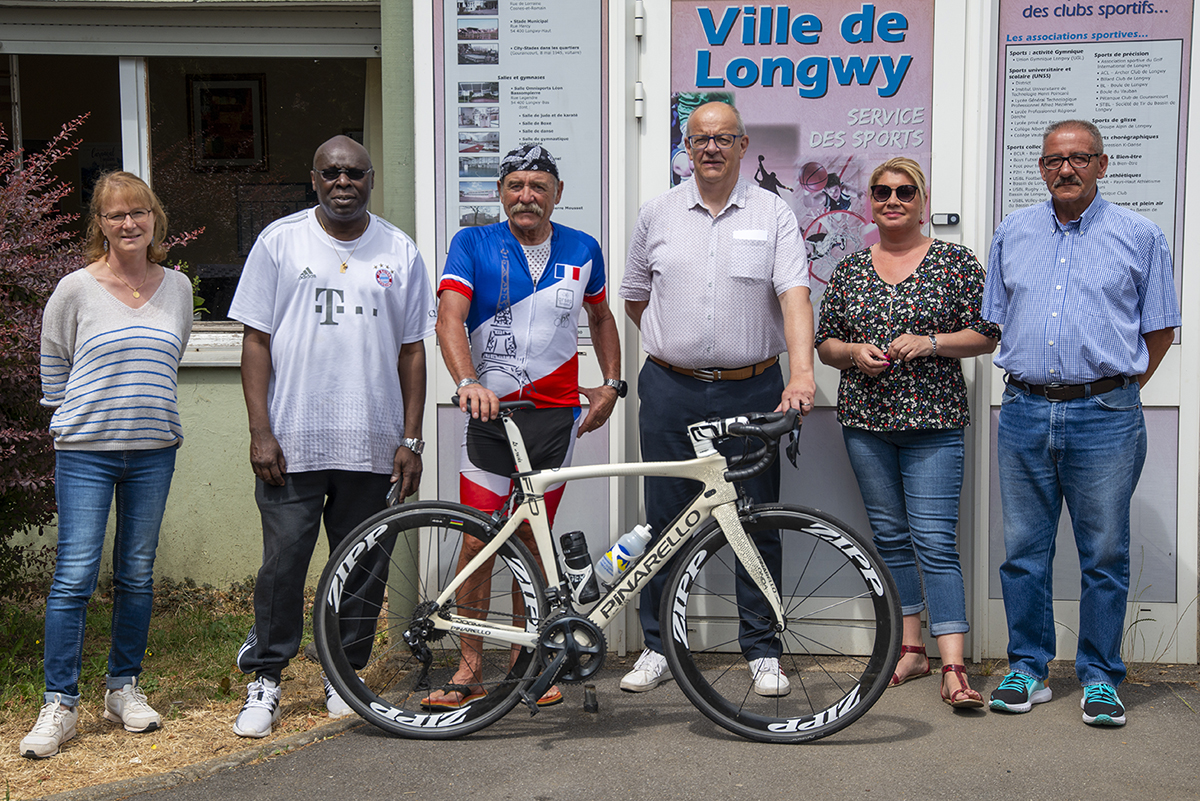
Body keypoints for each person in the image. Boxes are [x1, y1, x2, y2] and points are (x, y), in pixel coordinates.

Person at [228, 135, 435, 737]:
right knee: (284, 563)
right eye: (331, 174)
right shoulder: (280, 241)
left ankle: (343, 673)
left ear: (371, 179)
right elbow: (256, 341)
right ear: (314, 179)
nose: (343, 183)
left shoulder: (400, 249)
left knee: (364, 565)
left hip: (373, 443)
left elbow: (412, 351)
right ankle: (265, 677)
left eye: (355, 174)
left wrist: (412, 438)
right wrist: (260, 430)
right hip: (291, 442)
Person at [983, 120, 1179, 726]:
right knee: (1023, 551)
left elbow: (1160, 331)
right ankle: (1028, 667)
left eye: (1078, 158)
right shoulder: (1012, 232)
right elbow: (997, 318)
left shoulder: (1140, 236)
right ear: (1040, 168)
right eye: (1052, 161)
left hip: (1105, 415)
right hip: (1023, 410)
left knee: (1103, 553)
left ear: (1102, 163)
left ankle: (1099, 676)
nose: (1064, 169)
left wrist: (1109, 393)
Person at [619, 101, 815, 696]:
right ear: (687, 145)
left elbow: (795, 298)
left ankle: (761, 648)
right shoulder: (657, 214)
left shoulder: (774, 213)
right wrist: (674, 344)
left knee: (755, 520)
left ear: (742, 145)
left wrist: (801, 374)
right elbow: (633, 297)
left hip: (752, 389)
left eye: (723, 139)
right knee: (665, 521)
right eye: (700, 139)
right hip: (670, 388)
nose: (710, 148)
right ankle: (659, 645)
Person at [428, 143, 623, 708]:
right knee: (476, 541)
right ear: (501, 193)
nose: (526, 196)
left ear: (557, 194)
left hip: (553, 420)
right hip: (491, 416)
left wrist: (612, 383)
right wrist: (469, 383)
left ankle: (527, 662)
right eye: (515, 185)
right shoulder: (472, 243)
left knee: (533, 545)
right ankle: (469, 668)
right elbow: (449, 319)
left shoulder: (584, 248)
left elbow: (602, 316)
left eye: (539, 186)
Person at [815, 157, 999, 710]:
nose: (892, 200)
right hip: (867, 425)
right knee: (891, 540)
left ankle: (955, 665)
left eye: (904, 191)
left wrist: (933, 342)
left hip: (934, 425)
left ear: (921, 200)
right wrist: (854, 354)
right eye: (881, 192)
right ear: (869, 201)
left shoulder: (954, 262)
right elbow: (826, 343)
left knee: (936, 542)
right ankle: (911, 648)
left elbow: (988, 333)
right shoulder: (849, 270)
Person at [23, 172, 193, 758]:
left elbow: (169, 361)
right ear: (99, 223)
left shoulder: (177, 287)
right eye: (116, 215)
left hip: (153, 452)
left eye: (138, 213)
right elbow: (54, 366)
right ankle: (59, 703)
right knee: (74, 576)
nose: (129, 224)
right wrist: (85, 415)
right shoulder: (75, 289)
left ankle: (123, 688)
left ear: (155, 218)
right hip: (87, 452)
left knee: (137, 575)